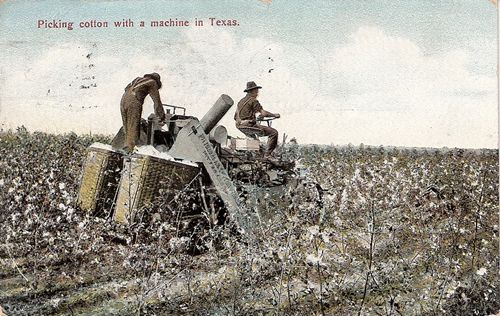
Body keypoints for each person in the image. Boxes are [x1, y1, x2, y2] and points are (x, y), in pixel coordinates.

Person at [120, 73, 166, 152]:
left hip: (123, 100)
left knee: (127, 128)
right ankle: (129, 153)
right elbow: (157, 102)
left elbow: (126, 89)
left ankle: (124, 150)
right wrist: (161, 117)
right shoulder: (152, 82)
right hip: (134, 102)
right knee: (133, 128)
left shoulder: (137, 79)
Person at [234, 81, 280, 157]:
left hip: (240, 126)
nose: (257, 93)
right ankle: (267, 155)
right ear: (252, 91)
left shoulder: (240, 102)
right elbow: (264, 113)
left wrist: (254, 118)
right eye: (256, 91)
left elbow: (235, 117)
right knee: (274, 133)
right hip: (249, 126)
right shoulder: (253, 100)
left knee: (255, 141)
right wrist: (274, 115)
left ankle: (258, 155)